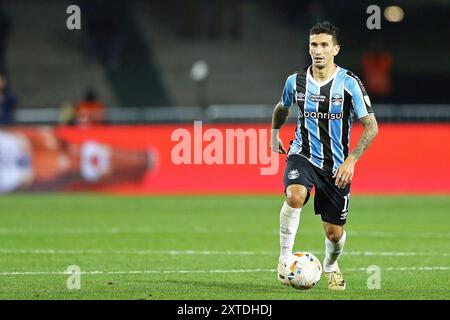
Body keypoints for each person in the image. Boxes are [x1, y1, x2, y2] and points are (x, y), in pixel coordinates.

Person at [270, 22, 379, 290]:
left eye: (324, 45)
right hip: (302, 154)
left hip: (337, 166)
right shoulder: (295, 82)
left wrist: (351, 160)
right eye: (314, 45)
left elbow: (371, 126)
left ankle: (330, 265)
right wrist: (274, 134)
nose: (318, 50)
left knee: (334, 232)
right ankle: (285, 260)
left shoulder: (349, 83)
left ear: (335, 49)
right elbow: (282, 108)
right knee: (294, 196)